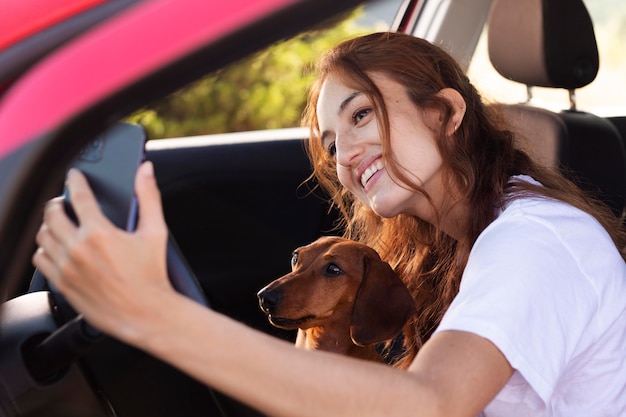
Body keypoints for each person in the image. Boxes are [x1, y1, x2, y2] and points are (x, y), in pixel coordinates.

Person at [33, 32, 626, 416]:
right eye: (332, 142)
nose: (345, 155)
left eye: (362, 114)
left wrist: (155, 317)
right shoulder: (462, 247)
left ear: (445, 112)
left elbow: (430, 403)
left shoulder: (535, 241)